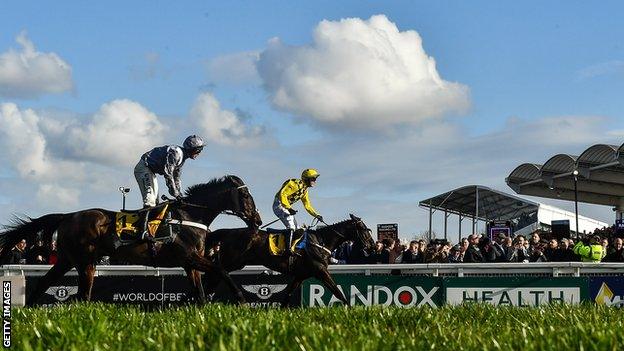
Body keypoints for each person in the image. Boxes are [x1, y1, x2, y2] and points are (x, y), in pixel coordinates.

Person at [134, 135, 204, 240]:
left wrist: (179, 194)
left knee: (155, 204)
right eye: (198, 150)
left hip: (150, 171)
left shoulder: (182, 158)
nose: (199, 153)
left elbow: (176, 178)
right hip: (144, 168)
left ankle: (151, 229)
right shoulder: (176, 153)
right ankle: (141, 232)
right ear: (191, 149)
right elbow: (168, 174)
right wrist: (175, 194)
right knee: (150, 201)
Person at [273, 168, 323, 255]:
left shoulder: (304, 191)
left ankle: (294, 248)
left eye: (315, 179)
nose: (315, 181)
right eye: (313, 178)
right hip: (279, 204)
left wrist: (316, 215)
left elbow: (307, 205)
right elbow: (282, 194)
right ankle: (287, 250)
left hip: (286, 207)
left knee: (298, 229)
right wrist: (288, 207)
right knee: (291, 226)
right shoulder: (293, 184)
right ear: (306, 178)